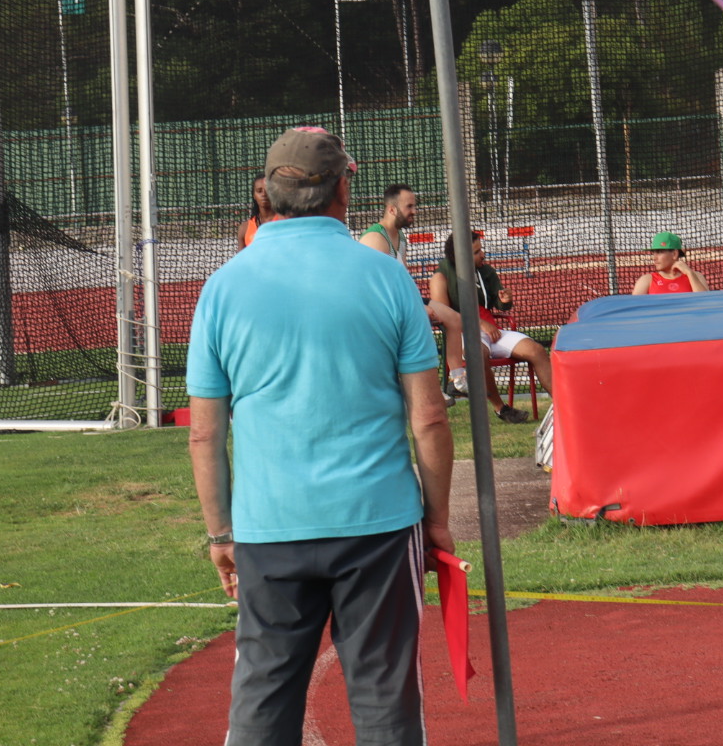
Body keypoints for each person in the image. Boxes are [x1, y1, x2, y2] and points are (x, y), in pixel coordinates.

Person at [187, 126, 453, 744]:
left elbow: (205, 434)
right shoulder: (385, 277)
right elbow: (429, 416)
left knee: (263, 694)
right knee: (385, 693)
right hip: (377, 527)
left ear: (267, 194)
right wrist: (436, 521)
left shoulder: (222, 288)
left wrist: (220, 532)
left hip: (270, 528)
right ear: (342, 189)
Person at [359, 183, 470, 401]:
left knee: (454, 319)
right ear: (392, 209)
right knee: (418, 324)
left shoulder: (400, 238)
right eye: (409, 206)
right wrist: (417, 308)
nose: (414, 211)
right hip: (380, 307)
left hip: (401, 299)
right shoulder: (374, 240)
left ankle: (456, 380)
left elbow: (403, 279)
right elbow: (373, 288)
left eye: (414, 205)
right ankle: (427, 389)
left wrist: (419, 304)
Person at [429, 230, 551, 423]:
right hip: (463, 335)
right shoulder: (441, 277)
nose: (483, 254)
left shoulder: (486, 272)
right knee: (478, 353)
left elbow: (498, 302)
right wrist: (477, 322)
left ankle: (563, 405)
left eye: (480, 250)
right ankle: (501, 408)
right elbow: (443, 316)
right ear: (461, 256)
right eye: (476, 252)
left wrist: (505, 301)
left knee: (536, 350)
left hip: (491, 331)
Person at [631, 231, 711, 294]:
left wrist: (689, 273)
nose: (654, 258)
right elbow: (634, 309)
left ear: (674, 254)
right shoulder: (647, 280)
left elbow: (705, 303)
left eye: (659, 252)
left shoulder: (696, 276)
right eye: (654, 253)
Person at [236, 174, 276, 250]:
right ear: (254, 195)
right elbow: (241, 260)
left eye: (268, 190)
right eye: (259, 191)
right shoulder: (245, 228)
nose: (264, 194)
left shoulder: (284, 222)